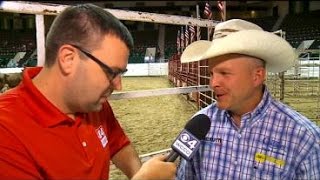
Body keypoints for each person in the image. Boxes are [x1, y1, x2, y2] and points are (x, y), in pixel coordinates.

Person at [0, 4, 176, 180]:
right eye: (111, 72)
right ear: (68, 59)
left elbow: (118, 144)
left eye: (121, 74)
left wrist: (138, 172)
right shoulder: (7, 131)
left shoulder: (92, 102)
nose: (118, 85)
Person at [177, 19, 320, 179]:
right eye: (212, 74)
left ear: (257, 76)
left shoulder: (303, 138)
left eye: (224, 73)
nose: (213, 83)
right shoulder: (200, 124)